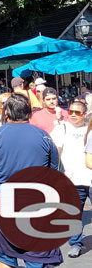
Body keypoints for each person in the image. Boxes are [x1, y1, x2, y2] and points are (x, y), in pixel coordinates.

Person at [0, 94, 63, 268]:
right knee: (36, 258)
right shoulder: (44, 137)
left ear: (6, 113)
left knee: (3, 255)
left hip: (3, 205)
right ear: (29, 113)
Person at [49, 100, 91, 258]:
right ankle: (75, 243)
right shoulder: (62, 128)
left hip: (90, 178)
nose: (73, 115)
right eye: (71, 112)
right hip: (71, 179)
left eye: (77, 112)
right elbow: (55, 152)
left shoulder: (90, 129)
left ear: (84, 115)